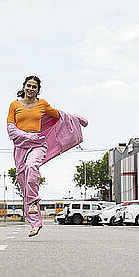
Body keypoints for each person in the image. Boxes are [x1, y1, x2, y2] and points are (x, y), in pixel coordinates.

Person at [6, 75, 88, 237]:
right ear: (23, 87)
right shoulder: (14, 105)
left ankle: (34, 205)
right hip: (21, 146)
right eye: (28, 85)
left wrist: (76, 119)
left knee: (31, 167)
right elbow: (11, 130)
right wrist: (29, 137)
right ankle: (34, 223)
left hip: (38, 145)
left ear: (38, 90)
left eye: (34, 87)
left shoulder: (42, 104)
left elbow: (59, 116)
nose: (30, 89)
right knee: (23, 181)